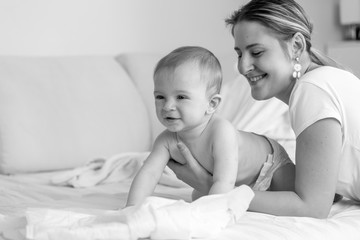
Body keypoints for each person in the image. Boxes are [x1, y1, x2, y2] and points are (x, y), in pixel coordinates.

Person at [166, 0, 360, 219]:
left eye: (256, 52)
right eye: (239, 54)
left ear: (296, 46)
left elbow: (313, 207)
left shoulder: (311, 90)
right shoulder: (328, 79)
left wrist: (217, 189)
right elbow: (329, 192)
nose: (242, 66)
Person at [125, 46, 295, 207]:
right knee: (197, 196)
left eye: (181, 97)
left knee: (291, 198)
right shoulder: (166, 140)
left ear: (212, 104)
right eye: (160, 97)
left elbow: (223, 182)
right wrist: (132, 208)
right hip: (239, 182)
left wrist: (209, 215)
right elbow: (149, 173)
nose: (168, 106)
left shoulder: (220, 131)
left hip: (271, 164)